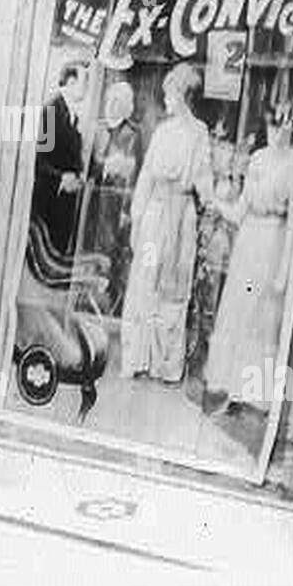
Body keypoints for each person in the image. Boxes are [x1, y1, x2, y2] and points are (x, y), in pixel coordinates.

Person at [201, 104, 293, 414]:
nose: (278, 134)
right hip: (248, 241)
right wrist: (216, 203)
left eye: (284, 128)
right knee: (238, 311)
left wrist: (284, 272)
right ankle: (229, 387)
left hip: (273, 241)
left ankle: (255, 395)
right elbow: (240, 209)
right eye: (273, 127)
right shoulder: (257, 159)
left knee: (261, 319)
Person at [118, 64, 215, 383]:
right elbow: (146, 175)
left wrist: (215, 202)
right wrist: (136, 215)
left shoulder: (199, 132)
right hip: (156, 215)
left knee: (174, 289)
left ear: (183, 96)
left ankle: (166, 364)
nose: (166, 99)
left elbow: (203, 178)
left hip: (181, 218)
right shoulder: (162, 131)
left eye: (171, 93)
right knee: (145, 278)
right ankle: (136, 358)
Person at [84, 80, 141, 312]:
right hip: (92, 201)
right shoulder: (98, 129)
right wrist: (103, 166)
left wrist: (127, 210)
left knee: (108, 252)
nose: (111, 105)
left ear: (126, 106)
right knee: (87, 248)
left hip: (114, 205)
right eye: (109, 99)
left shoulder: (132, 133)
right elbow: (88, 165)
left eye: (117, 101)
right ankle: (86, 295)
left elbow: (133, 174)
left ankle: (103, 301)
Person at [32, 60, 88, 255]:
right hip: (48, 202)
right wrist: (61, 178)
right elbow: (37, 158)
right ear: (71, 82)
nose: (86, 87)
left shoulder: (72, 115)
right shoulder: (50, 110)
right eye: (84, 81)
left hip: (63, 201)